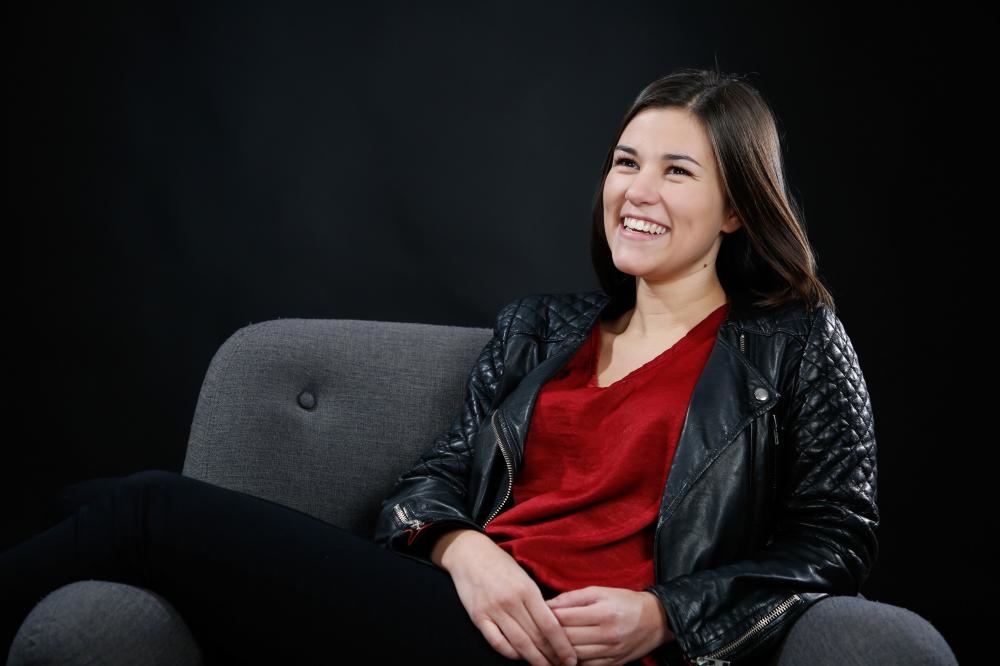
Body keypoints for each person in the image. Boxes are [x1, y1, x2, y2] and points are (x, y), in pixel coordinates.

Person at [2, 68, 957, 666]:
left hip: (566, 649)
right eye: (625, 161)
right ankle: (93, 512)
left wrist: (666, 614)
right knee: (126, 516)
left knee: (140, 511)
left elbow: (836, 542)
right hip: (460, 614)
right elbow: (433, 481)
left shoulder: (795, 341)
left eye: (678, 171)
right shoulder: (542, 330)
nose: (636, 191)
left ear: (738, 207)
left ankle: (94, 510)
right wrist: (465, 550)